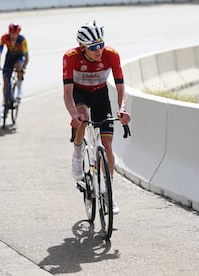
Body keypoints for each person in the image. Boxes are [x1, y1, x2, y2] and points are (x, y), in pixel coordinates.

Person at [62, 21, 131, 214]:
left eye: (100, 44)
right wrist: (73, 115)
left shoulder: (111, 55)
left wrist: (123, 109)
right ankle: (77, 155)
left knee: (107, 145)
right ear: (82, 47)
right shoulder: (70, 57)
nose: (98, 50)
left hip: (100, 94)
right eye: (93, 47)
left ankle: (108, 193)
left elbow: (120, 87)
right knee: (83, 117)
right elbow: (67, 93)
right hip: (79, 93)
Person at [0, 23, 29, 102]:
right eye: (12, 34)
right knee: (5, 78)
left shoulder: (22, 40)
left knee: (19, 67)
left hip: (19, 56)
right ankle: (5, 99)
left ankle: (19, 90)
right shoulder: (4, 38)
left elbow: (26, 56)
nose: (13, 36)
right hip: (9, 56)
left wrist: (24, 67)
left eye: (15, 34)